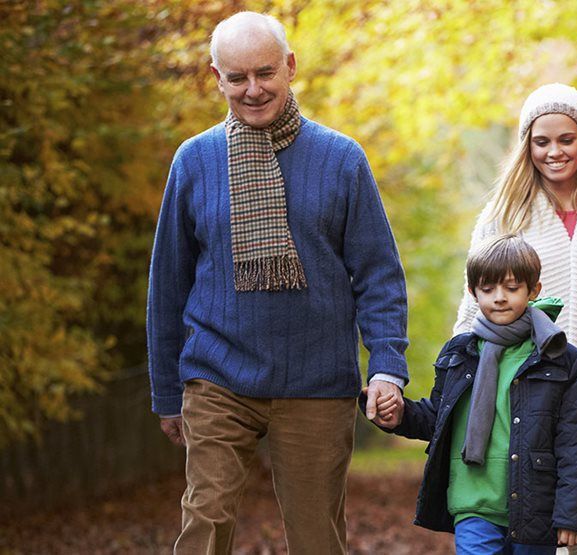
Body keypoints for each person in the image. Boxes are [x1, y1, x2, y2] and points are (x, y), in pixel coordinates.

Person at [146, 11, 408, 553]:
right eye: (236, 77)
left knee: (316, 538)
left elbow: (378, 274)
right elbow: (168, 285)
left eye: (264, 73)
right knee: (205, 517)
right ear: (215, 78)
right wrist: (168, 392)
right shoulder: (194, 161)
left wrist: (387, 365)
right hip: (217, 374)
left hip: (316, 380)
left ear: (290, 67)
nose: (252, 89)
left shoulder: (341, 160)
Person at [452, 83, 577, 553]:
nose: (554, 151)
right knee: (526, 531)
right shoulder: (501, 217)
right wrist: (454, 399)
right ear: (527, 146)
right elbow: (471, 315)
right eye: (541, 141)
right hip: (517, 404)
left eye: (567, 139)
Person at [369, 235, 577, 553]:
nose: (499, 298)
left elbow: (576, 443)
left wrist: (571, 516)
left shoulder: (562, 359)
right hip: (472, 504)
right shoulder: (459, 353)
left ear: (533, 290)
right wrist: (399, 414)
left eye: (511, 288)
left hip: (534, 509)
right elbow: (437, 417)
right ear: (474, 292)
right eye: (488, 289)